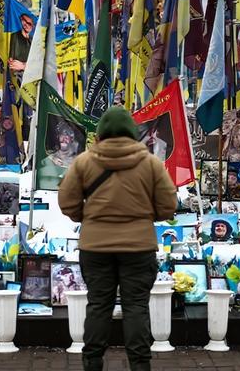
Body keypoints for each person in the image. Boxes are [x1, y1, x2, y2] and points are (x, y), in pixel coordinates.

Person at [58, 106, 177, 371]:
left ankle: (92, 363)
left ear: (99, 135)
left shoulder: (83, 162)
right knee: (136, 306)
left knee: (99, 305)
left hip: (95, 247)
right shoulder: (151, 164)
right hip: (139, 247)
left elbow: (67, 202)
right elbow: (168, 205)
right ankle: (139, 365)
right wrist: (145, 217)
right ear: (132, 135)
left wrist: (86, 217)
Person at [38, 120, 81, 188]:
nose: (64, 139)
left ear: (72, 138)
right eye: (62, 135)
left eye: (67, 136)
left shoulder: (80, 163)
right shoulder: (45, 159)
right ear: (58, 137)